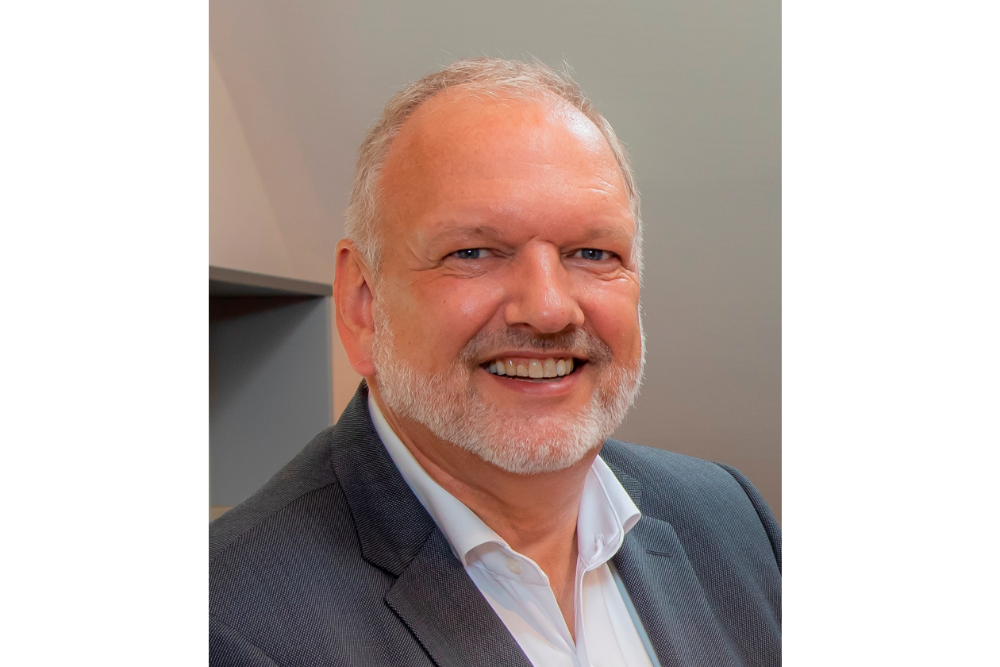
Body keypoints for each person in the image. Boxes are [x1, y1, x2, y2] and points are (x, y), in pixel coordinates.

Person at [210, 58, 781, 667]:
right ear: (363, 304)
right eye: (474, 252)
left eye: (592, 253)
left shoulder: (728, 517)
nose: (549, 309)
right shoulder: (223, 624)